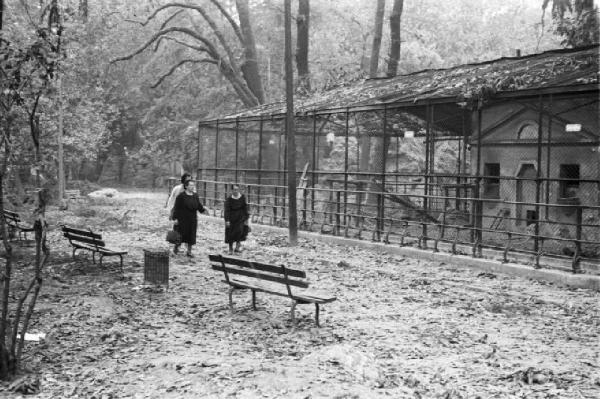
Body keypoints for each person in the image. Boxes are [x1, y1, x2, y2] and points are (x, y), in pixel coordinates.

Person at [172, 180, 206, 257]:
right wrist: (175, 218)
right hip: (182, 219)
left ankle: (189, 251)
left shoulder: (195, 195)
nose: (192, 187)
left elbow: (198, 205)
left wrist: (203, 210)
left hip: (192, 219)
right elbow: (176, 208)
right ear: (186, 186)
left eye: (193, 185)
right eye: (190, 185)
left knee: (191, 235)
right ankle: (176, 249)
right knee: (180, 235)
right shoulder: (181, 196)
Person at [224, 184, 249, 254]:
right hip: (232, 218)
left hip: (240, 218)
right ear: (232, 190)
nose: (236, 191)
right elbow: (227, 211)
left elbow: (245, 208)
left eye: (237, 189)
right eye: (234, 190)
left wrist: (246, 218)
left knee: (240, 232)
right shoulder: (229, 200)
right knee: (230, 234)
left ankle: (237, 247)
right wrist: (227, 220)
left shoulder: (242, 198)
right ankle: (230, 248)